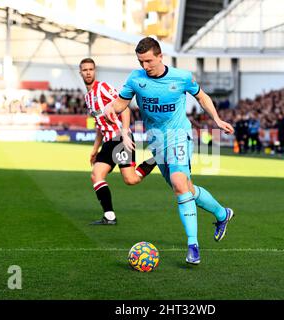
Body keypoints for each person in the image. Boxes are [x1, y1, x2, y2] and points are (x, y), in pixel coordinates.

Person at [104, 37, 235, 265]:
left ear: (160, 56)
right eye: (141, 61)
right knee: (186, 189)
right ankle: (223, 214)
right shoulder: (136, 79)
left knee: (178, 182)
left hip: (179, 136)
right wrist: (110, 108)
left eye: (148, 61)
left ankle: (193, 246)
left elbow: (202, 97)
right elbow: (121, 103)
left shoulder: (181, 77)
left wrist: (216, 119)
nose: (145, 66)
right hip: (155, 141)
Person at [79, 58, 156, 225]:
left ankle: (158, 156)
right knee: (96, 175)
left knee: (131, 180)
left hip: (120, 138)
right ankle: (109, 216)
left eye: (91, 69)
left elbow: (125, 107)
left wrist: (126, 133)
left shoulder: (103, 88)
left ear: (95, 71)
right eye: (85, 70)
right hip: (108, 141)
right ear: (80, 73)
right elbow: (99, 125)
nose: (88, 72)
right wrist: (95, 149)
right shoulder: (88, 98)